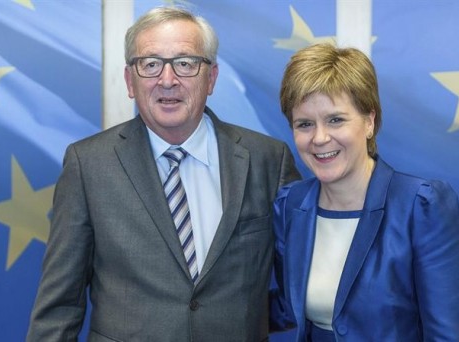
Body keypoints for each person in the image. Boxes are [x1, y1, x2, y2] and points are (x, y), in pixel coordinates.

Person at [27, 6, 300, 342]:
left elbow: (302, 287)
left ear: (211, 78)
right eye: (150, 64)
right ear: (130, 80)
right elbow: (59, 308)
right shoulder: (88, 164)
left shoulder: (268, 161)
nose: (167, 80)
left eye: (185, 63)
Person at [270, 43, 459, 341]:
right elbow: (288, 306)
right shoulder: (290, 205)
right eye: (305, 124)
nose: (320, 138)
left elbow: (447, 335)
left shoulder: (422, 206)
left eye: (335, 119)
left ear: (369, 122)